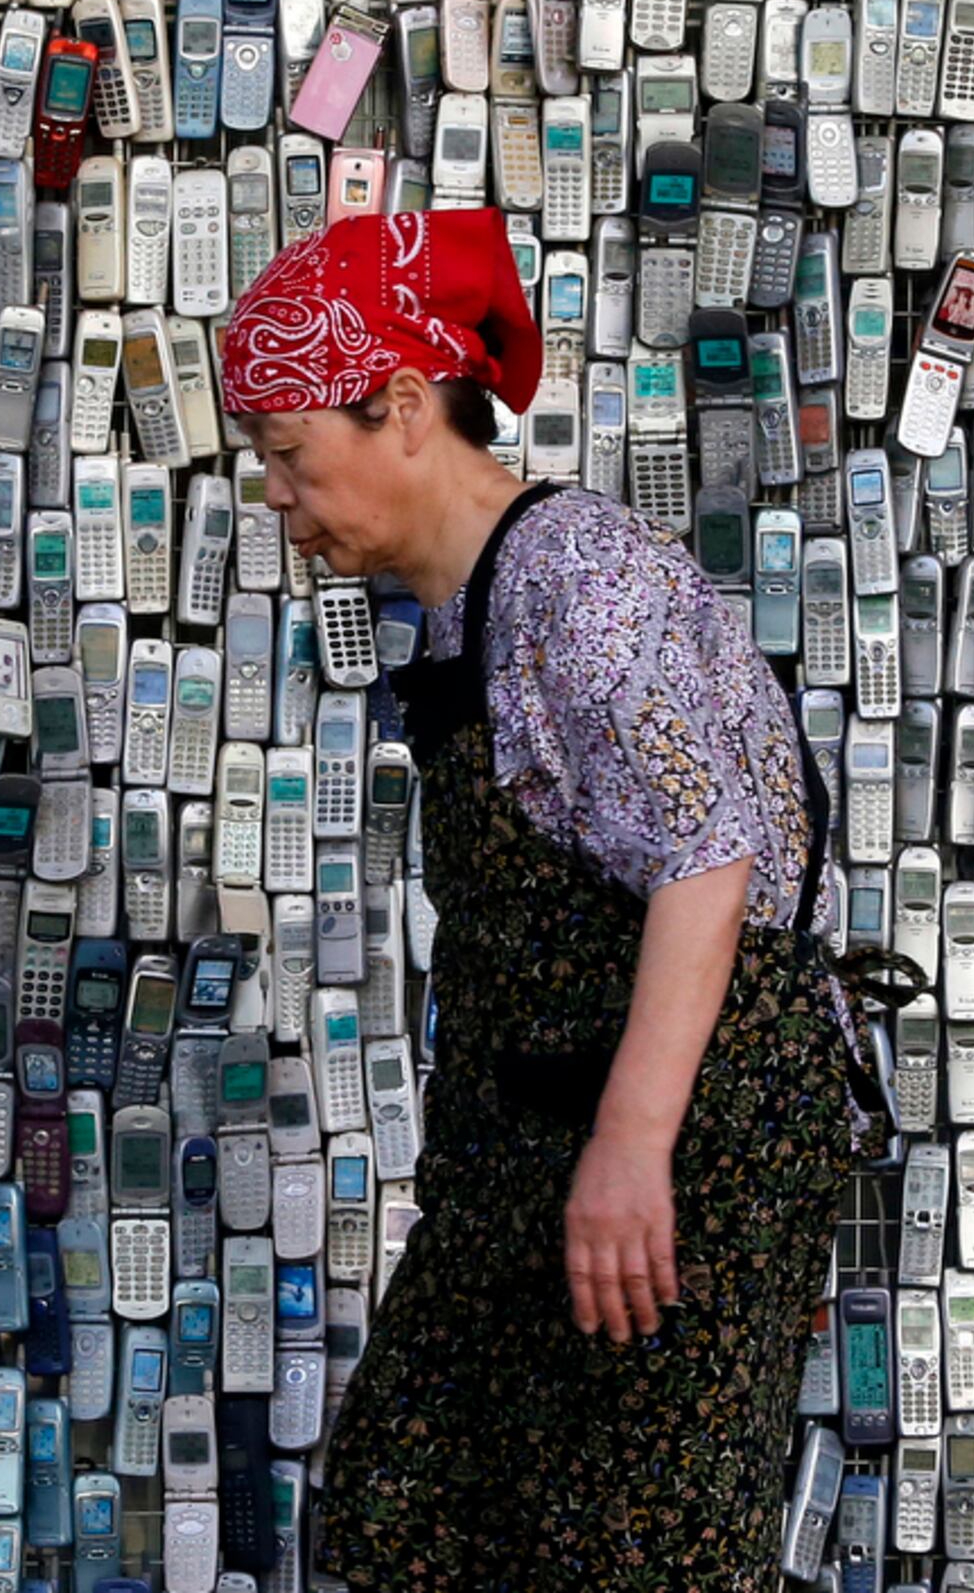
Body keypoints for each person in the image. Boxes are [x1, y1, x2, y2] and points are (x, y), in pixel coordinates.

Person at [219, 205, 869, 1591]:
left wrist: (632, 1146)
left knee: (638, 1548)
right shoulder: (465, 606)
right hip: (534, 1131)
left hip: (691, 1128)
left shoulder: (578, 577)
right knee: (414, 1505)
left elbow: (709, 855)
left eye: (287, 456)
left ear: (399, 408)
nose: (276, 497)